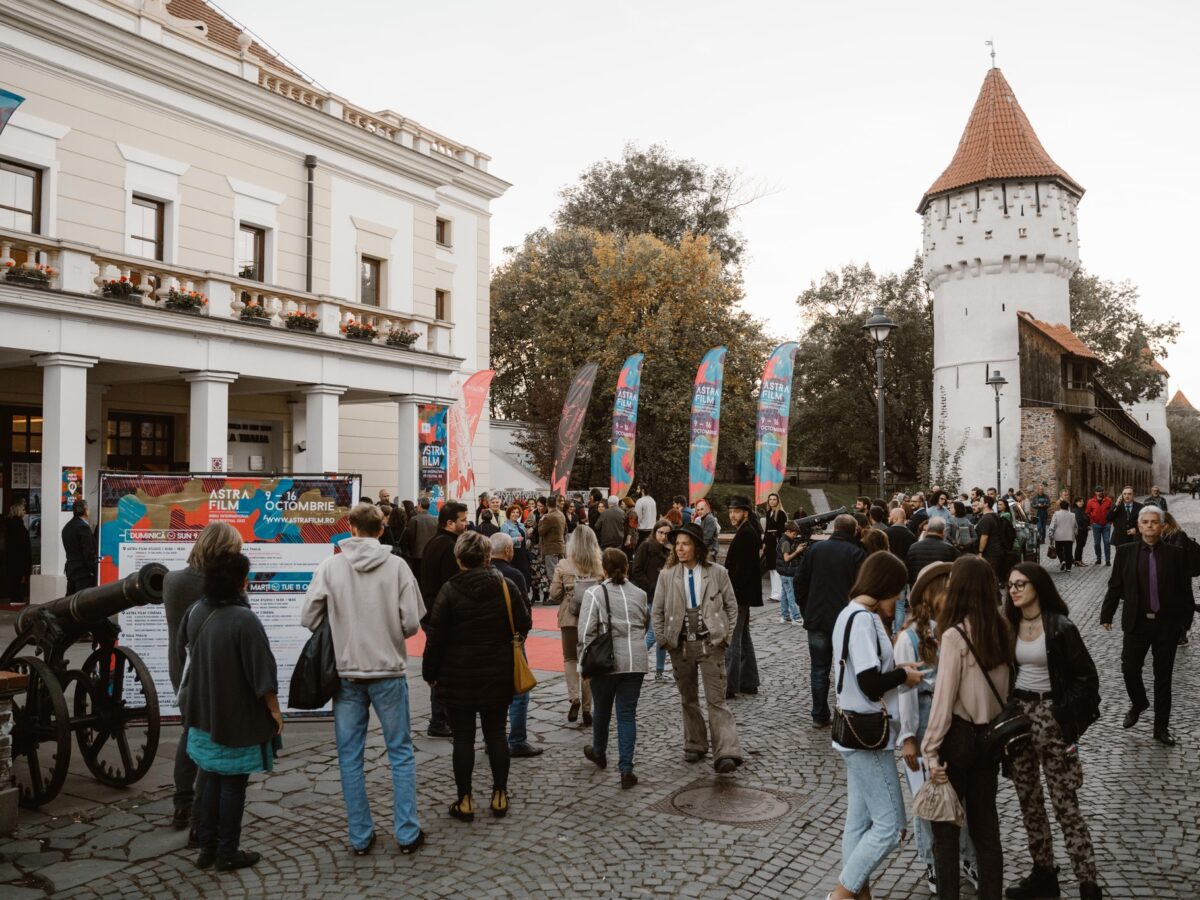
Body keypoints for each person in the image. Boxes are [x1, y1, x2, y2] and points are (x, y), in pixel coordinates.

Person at [302, 501, 426, 855]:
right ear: (381, 529)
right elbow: (412, 623)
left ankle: (360, 836)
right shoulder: (397, 567)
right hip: (387, 669)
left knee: (350, 757)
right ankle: (406, 832)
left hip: (346, 672)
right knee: (400, 753)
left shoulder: (330, 566)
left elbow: (309, 619)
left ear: (351, 529)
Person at [826, 552, 925, 900]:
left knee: (858, 822)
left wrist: (900, 672)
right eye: (897, 590)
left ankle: (858, 893)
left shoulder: (847, 614)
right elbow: (869, 682)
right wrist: (904, 675)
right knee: (890, 825)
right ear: (884, 585)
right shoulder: (864, 620)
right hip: (868, 735)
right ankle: (842, 894)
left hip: (852, 730)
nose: (899, 598)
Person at [1003, 563, 1102, 900]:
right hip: (1020, 718)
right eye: (1010, 585)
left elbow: (1087, 679)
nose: (1014, 590)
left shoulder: (1060, 627)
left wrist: (1060, 715)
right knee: (1028, 800)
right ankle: (1044, 873)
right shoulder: (1009, 626)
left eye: (1021, 584)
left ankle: (1087, 879)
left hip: (1051, 715)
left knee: (1064, 801)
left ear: (1038, 587)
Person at [177, 550, 281, 872]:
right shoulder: (244, 620)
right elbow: (262, 677)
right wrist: (275, 713)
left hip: (203, 713)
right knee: (232, 784)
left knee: (209, 780)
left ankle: (206, 849)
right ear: (240, 582)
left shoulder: (196, 612)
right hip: (235, 718)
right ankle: (227, 852)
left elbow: (185, 651)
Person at [423, 530, 530, 822]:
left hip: (458, 673)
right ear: (486, 557)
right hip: (497, 671)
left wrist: (429, 672)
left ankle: (466, 799)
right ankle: (499, 794)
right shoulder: (506, 586)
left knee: (463, 739)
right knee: (496, 734)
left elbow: (436, 637)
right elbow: (524, 622)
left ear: (459, 559)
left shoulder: (449, 590)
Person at [922, 555, 1011, 900]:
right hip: (989, 740)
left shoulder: (955, 636)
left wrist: (931, 752)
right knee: (986, 829)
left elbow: (943, 701)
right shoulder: (1003, 628)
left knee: (945, 833)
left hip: (957, 740)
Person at [895, 562, 978, 895]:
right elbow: (905, 694)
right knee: (930, 800)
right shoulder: (911, 635)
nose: (953, 594)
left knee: (962, 800)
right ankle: (932, 861)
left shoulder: (959, 628)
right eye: (946, 587)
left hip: (958, 727)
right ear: (930, 592)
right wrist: (909, 739)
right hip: (924, 728)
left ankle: (969, 857)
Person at [163, 522, 243, 834]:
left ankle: (182, 804)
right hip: (215, 672)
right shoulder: (222, 586)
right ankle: (202, 819)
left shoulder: (172, 580)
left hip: (181, 670)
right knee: (212, 744)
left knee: (189, 734)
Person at [651, 522, 743, 773]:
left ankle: (726, 751)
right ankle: (694, 743)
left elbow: (732, 607)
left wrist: (725, 636)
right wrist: (664, 641)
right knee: (688, 698)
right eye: (677, 544)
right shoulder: (667, 575)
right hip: (680, 644)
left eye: (685, 543)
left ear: (697, 547)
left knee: (716, 698)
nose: (679, 548)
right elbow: (657, 611)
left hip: (710, 642)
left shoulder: (717, 573)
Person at [1101, 505, 1194, 745]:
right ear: (1139, 526)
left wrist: (1186, 622)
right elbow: (1115, 586)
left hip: (1167, 624)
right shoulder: (1125, 552)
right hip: (1137, 622)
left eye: (1155, 522)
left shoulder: (1176, 554)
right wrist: (1107, 614)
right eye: (1146, 522)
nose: (1150, 526)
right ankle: (1139, 702)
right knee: (1130, 668)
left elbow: (1185, 588)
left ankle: (1161, 728)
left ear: (1162, 526)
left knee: (1163, 677)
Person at [579, 548, 649, 788]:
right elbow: (644, 624)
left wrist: (583, 666)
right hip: (636, 660)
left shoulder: (595, 593)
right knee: (627, 715)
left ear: (604, 569)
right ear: (627, 567)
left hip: (606, 661)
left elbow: (586, 631)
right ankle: (626, 769)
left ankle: (599, 751)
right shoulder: (640, 594)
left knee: (602, 709)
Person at [795, 514, 866, 727]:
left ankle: (819, 714)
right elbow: (863, 588)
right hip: (846, 621)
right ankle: (847, 710)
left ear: (835, 528)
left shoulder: (815, 550)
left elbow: (800, 582)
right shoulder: (857, 553)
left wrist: (805, 608)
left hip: (817, 617)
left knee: (819, 668)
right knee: (849, 667)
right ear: (854, 531)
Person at [419, 501, 470, 739]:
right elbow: (452, 586)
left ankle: (443, 717)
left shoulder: (436, 542)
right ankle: (440, 719)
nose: (466, 523)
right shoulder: (448, 547)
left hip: (432, 612)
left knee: (443, 664)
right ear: (449, 523)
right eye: (462, 520)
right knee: (444, 666)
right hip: (439, 615)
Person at [490, 533, 542, 759]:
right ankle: (517, 740)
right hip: (511, 639)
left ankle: (490, 738)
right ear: (509, 550)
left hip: (487, 641)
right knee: (520, 690)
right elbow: (524, 612)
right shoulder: (513, 575)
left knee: (491, 693)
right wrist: (522, 635)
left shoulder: (482, 573)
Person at [550, 525, 604, 726]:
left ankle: (574, 698)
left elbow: (554, 594)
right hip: (592, 619)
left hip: (569, 618)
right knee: (587, 662)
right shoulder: (599, 565)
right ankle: (588, 709)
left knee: (570, 659)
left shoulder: (564, 565)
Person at [722, 496, 762, 699]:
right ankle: (749, 682)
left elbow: (743, 570)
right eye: (730, 512)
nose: (732, 515)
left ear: (745, 513)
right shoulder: (747, 531)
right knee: (744, 639)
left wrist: (729, 593)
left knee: (733, 639)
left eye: (736, 511)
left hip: (738, 594)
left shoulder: (747, 533)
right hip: (744, 594)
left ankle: (730, 685)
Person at [631, 518, 671, 680]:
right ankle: (632, 663)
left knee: (661, 635)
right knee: (654, 634)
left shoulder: (669, 551)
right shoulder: (646, 546)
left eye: (667, 534)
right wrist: (649, 586)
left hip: (665, 596)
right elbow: (636, 569)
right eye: (660, 533)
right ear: (655, 532)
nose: (663, 537)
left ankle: (659, 672)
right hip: (650, 595)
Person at [906, 518, 958, 584]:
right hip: (940, 588)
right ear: (943, 531)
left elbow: (908, 571)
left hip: (918, 587)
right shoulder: (950, 549)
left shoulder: (913, 547)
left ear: (928, 530)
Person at [61, 498, 98, 593]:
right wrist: (94, 570)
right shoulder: (83, 527)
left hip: (71, 569)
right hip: (83, 572)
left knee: (70, 601)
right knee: (82, 602)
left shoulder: (67, 527)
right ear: (85, 511)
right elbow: (89, 552)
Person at [400, 496, 438, 581]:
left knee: (418, 578)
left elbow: (410, 538)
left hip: (417, 554)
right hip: (431, 553)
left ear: (419, 505)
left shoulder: (414, 519)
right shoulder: (435, 520)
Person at [775, 520, 804, 624]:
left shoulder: (784, 539)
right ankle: (796, 617)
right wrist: (797, 551)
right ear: (788, 531)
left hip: (784, 571)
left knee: (785, 594)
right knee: (791, 595)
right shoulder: (786, 542)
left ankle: (785, 615)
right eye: (794, 534)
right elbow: (786, 558)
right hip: (788, 572)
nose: (795, 536)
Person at [4, 499, 31, 604]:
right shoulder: (18, 525)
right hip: (18, 557)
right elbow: (21, 543)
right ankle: (16, 598)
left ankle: (15, 597)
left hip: (13, 556)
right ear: (19, 511)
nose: (25, 512)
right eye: (23, 510)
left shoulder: (11, 524)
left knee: (16, 578)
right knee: (17, 578)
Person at [762, 493, 788, 602]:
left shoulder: (781, 513)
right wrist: (764, 542)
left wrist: (775, 534)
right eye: (770, 499)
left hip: (776, 543)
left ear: (778, 501)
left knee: (776, 568)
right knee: (771, 568)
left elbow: (783, 530)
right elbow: (767, 529)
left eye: (774, 499)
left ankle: (778, 594)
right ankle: (774, 593)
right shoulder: (769, 513)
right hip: (769, 544)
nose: (772, 501)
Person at [501, 504, 532, 588]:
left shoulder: (521, 525)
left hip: (523, 553)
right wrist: (516, 539)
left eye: (517, 512)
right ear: (509, 514)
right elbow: (504, 540)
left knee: (525, 574)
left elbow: (525, 538)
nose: (515, 514)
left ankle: (524, 594)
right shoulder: (505, 526)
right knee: (515, 575)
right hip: (514, 553)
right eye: (513, 512)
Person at [538, 496, 567, 583]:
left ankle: (555, 595)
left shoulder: (548, 517)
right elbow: (566, 530)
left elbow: (540, 531)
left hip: (551, 549)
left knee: (553, 576)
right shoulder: (561, 514)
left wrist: (541, 520)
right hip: (560, 547)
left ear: (547, 505)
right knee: (560, 573)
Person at [1107, 486, 1143, 551]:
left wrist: (1136, 529)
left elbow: (1143, 522)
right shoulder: (1117, 506)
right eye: (1125, 494)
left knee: (1133, 559)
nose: (1127, 496)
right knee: (1121, 560)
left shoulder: (1140, 506)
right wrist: (1116, 505)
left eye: (1129, 494)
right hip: (1119, 539)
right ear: (1121, 495)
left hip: (1134, 539)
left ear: (1133, 495)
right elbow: (1109, 518)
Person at [1084, 486, 1112, 566]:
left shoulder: (1108, 500)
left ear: (1103, 491)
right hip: (1096, 525)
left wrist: (1110, 522)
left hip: (1106, 525)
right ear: (1095, 492)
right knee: (1097, 543)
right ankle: (1098, 559)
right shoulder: (1091, 501)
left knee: (1107, 542)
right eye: (1098, 491)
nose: (1099, 493)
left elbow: (1111, 511)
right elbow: (1087, 512)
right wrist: (1092, 521)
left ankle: (1107, 560)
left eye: (1101, 491)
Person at [1046, 500, 1077, 572]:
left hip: (1059, 536)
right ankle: (1068, 568)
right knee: (1068, 552)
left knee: (1059, 550)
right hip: (1069, 536)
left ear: (1060, 506)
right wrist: (1074, 535)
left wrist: (1050, 534)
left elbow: (1053, 525)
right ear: (1068, 507)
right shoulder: (1072, 515)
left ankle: (1062, 560)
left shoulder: (1056, 514)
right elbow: (1075, 527)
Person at [1071, 497, 1090, 568]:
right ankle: (1077, 560)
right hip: (1080, 530)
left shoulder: (1081, 510)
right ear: (1076, 502)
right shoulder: (1076, 510)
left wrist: (1087, 524)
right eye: (1080, 501)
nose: (1082, 503)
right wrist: (1086, 525)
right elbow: (1079, 521)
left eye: (1082, 501)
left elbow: (1086, 518)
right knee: (1079, 545)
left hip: (1084, 530)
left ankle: (1079, 560)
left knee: (1081, 545)